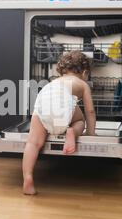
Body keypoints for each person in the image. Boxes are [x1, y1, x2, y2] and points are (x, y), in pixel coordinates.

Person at [22, 50, 96, 195]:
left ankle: (28, 178)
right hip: (62, 108)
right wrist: (91, 132)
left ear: (62, 70)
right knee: (80, 120)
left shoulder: (53, 82)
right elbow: (90, 111)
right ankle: (72, 132)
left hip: (42, 103)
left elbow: (46, 105)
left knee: (33, 142)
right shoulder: (82, 84)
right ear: (85, 72)